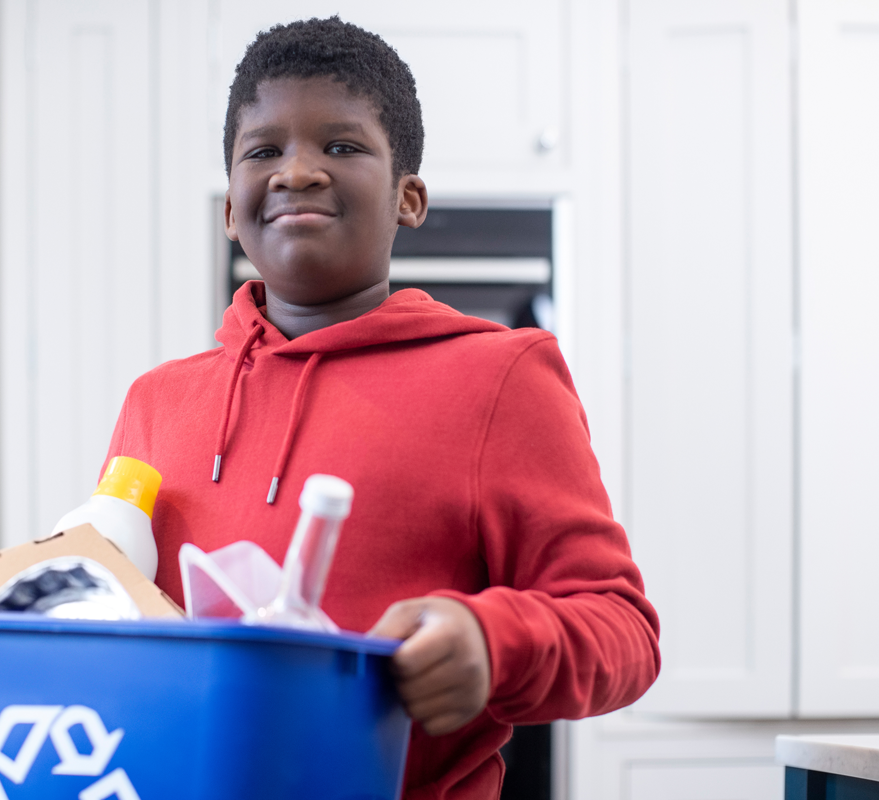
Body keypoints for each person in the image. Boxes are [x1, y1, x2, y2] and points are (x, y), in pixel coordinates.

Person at [103, 16, 660, 799]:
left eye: (341, 146)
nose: (297, 171)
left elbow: (622, 630)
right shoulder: (156, 401)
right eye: (263, 150)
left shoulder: (500, 376)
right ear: (230, 207)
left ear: (409, 198)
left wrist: (492, 642)